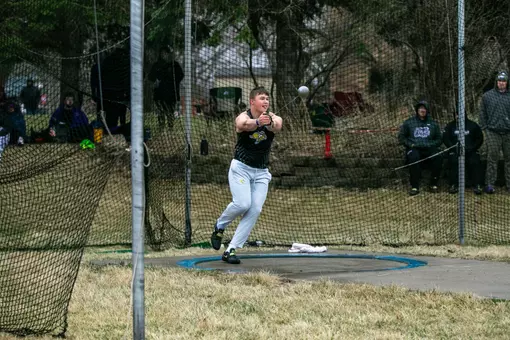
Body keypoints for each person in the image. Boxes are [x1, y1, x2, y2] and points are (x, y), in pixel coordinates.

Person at [210, 87, 283, 264]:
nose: (265, 101)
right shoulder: (243, 116)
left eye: (267, 98)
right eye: (262, 98)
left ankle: (231, 249)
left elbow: (278, 125)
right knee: (243, 204)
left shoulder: (273, 117)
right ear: (252, 101)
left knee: (255, 209)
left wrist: (269, 122)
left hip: (261, 172)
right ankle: (220, 225)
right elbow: (242, 125)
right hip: (241, 168)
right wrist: (258, 122)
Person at [398, 100, 443, 195]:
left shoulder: (433, 124)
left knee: (438, 156)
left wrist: (431, 144)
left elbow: (439, 139)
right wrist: (411, 144)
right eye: (420, 108)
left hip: (429, 148)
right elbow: (401, 137)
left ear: (427, 111)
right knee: (413, 157)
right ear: (417, 110)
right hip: (414, 148)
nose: (422, 110)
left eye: (424, 108)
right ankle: (414, 186)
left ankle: (433, 184)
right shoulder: (409, 122)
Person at [479, 71, 510, 194]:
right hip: (492, 132)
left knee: (509, 159)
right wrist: (485, 127)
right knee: (492, 158)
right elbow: (482, 113)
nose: (501, 83)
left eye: (504, 81)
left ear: (507, 83)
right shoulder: (487, 96)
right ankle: (490, 184)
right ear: (496, 82)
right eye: (499, 81)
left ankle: (509, 184)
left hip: (508, 132)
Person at [443, 111, 484, 194]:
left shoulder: (473, 125)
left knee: (475, 161)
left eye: (460, 114)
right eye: (456, 115)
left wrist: (472, 147)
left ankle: (477, 185)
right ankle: (453, 185)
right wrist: (453, 147)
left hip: (470, 150)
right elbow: (445, 138)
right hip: (455, 151)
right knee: (453, 161)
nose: (458, 116)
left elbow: (479, 138)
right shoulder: (450, 126)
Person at [148, 47, 184, 130]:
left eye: (166, 53)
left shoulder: (174, 65)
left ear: (169, 54)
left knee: (170, 110)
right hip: (159, 93)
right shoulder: (157, 65)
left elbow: (181, 75)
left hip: (171, 93)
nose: (164, 55)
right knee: (161, 110)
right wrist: (155, 80)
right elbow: (151, 77)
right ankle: (161, 126)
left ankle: (170, 126)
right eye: (162, 53)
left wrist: (174, 81)